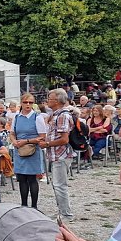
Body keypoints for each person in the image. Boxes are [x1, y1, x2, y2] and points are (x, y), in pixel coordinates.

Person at [39, 89, 75, 221]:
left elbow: (64, 139)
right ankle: (62, 211)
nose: (48, 100)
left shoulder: (62, 116)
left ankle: (66, 214)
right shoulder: (56, 115)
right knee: (57, 184)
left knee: (60, 185)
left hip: (61, 155)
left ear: (58, 100)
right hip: (57, 155)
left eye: (50, 98)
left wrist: (47, 144)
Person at [10, 93, 47, 208]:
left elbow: (42, 136)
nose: (28, 104)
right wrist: (14, 141)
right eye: (25, 102)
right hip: (19, 150)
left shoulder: (37, 117)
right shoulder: (16, 117)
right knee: (21, 179)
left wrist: (26, 141)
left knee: (32, 178)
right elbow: (12, 133)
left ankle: (34, 206)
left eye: (30, 102)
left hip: (32, 150)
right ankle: (24, 205)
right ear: (21, 103)